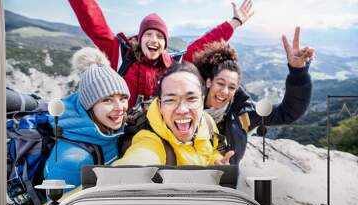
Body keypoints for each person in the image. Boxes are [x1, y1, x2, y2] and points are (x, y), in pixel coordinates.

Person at [69, 0, 254, 110]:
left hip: (154, 132)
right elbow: (93, 21)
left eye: (159, 36)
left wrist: (234, 23)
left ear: (165, 43)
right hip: (118, 127)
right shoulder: (120, 52)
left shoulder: (173, 66)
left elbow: (200, 46)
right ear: (140, 38)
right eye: (148, 34)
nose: (154, 40)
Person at [193, 27, 315, 164]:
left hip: (226, 179)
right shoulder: (189, 107)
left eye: (232, 87)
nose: (225, 91)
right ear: (209, 82)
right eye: (220, 83)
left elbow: (287, 112)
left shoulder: (244, 113)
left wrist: (298, 73)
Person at [113, 62, 234, 166]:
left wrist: (216, 161)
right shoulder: (149, 140)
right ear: (160, 106)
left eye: (191, 98)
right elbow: (138, 161)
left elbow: (212, 150)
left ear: (202, 101)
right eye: (170, 100)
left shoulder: (207, 122)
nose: (182, 110)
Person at [43, 47, 130, 187]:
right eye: (107, 100)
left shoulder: (108, 129)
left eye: (123, 98)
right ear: (89, 105)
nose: (120, 107)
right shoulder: (73, 163)